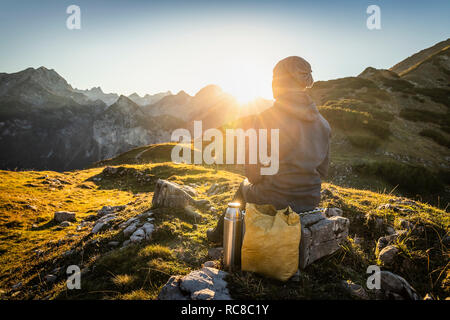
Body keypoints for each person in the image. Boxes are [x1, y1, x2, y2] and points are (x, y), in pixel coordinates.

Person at [207, 56, 331, 243]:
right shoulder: (324, 124)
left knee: (243, 187)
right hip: (310, 199)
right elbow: (323, 171)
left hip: (275, 197)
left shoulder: (266, 118)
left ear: (279, 83)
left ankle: (219, 236)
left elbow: (253, 175)